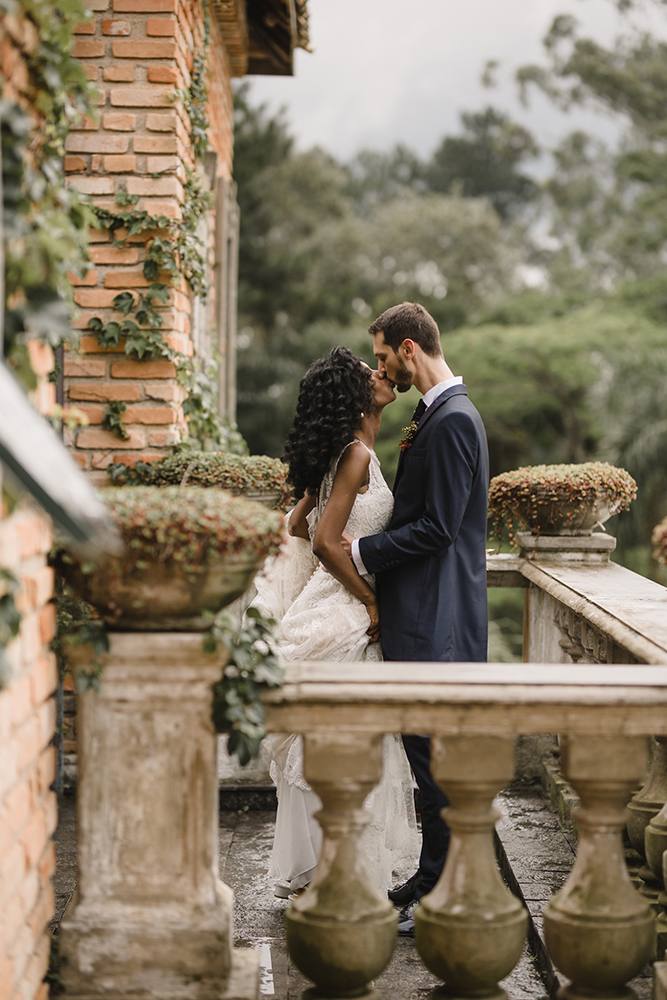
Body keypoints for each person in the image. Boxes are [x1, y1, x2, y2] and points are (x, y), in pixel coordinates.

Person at [252, 346, 419, 900]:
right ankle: (340, 875)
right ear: (354, 396)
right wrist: (370, 599)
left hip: (330, 601)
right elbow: (322, 540)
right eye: (368, 372)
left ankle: (330, 870)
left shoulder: (346, 454)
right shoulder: (353, 456)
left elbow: (299, 525)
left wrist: (346, 548)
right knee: (347, 747)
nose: (380, 373)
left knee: (330, 744)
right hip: (345, 612)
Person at [347, 302, 489, 936]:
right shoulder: (433, 415)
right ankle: (432, 876)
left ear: (409, 349)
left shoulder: (455, 420)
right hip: (417, 611)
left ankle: (443, 891)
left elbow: (438, 528)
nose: (381, 368)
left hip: (438, 617)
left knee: (435, 757)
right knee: (422, 751)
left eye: (382, 356)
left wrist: (360, 551)